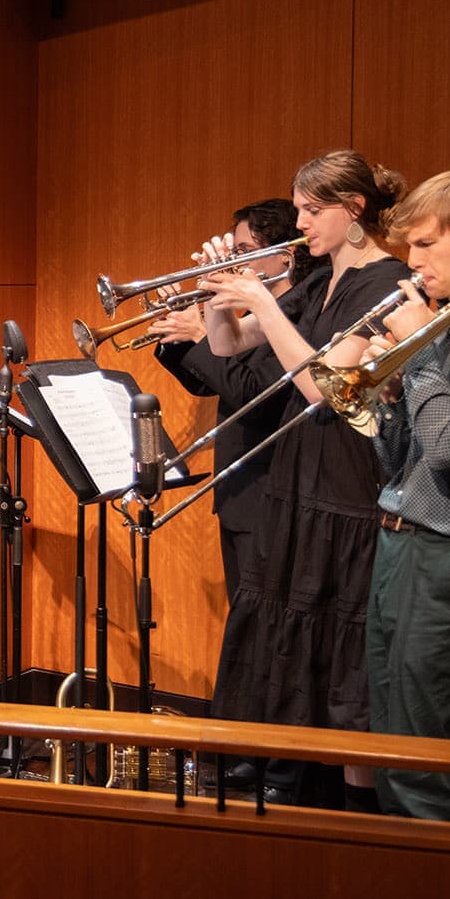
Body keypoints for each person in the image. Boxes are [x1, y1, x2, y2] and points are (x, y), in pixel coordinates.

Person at [200, 150, 409, 807]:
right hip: (296, 486)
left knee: (346, 669)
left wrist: (264, 299)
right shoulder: (319, 282)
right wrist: (219, 292)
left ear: (354, 209)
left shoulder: (387, 282)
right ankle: (299, 810)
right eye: (298, 210)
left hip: (348, 492)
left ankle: (358, 816)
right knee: (288, 654)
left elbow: (324, 386)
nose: (300, 224)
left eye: (312, 211)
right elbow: (230, 345)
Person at [362, 169, 450, 822]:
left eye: (424, 244)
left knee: (427, 769)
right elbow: (404, 464)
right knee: (390, 749)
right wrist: (389, 398)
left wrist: (418, 354)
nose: (411, 262)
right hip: (399, 545)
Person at [149, 198, 304, 599]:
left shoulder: (294, 319)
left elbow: (251, 393)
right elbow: (208, 384)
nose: (234, 263)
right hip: (240, 494)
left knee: (262, 620)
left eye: (245, 252)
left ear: (285, 257)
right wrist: (178, 338)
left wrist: (200, 336)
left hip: (269, 495)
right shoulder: (253, 317)